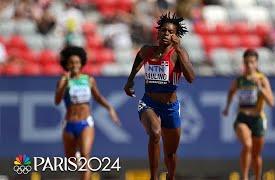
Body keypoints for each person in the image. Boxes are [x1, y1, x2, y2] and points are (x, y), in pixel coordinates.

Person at [124, 12, 195, 180]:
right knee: (155, 134)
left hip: (170, 107)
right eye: (163, 30)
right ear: (158, 32)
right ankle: (153, 177)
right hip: (149, 103)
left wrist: (177, 48)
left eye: (171, 32)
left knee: (170, 154)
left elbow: (191, 78)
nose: (166, 34)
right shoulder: (148, 50)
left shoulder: (179, 53)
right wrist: (130, 81)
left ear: (176, 36)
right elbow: (139, 59)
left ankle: (171, 177)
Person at [55, 46, 120, 180]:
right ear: (66, 64)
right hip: (69, 124)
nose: (74, 65)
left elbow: (98, 97)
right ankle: (77, 160)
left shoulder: (88, 80)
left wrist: (110, 108)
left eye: (77, 62)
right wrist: (64, 83)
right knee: (71, 160)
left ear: (82, 63)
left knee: (85, 155)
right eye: (71, 63)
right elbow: (57, 100)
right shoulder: (63, 80)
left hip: (86, 123)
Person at [223, 49, 275, 180]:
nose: (249, 65)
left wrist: (261, 89)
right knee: (247, 145)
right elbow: (231, 91)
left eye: (252, 62)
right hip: (243, 117)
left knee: (256, 154)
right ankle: (245, 177)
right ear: (243, 63)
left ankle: (258, 177)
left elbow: (271, 102)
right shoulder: (239, 80)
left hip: (258, 119)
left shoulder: (262, 80)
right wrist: (227, 107)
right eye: (246, 62)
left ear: (256, 63)